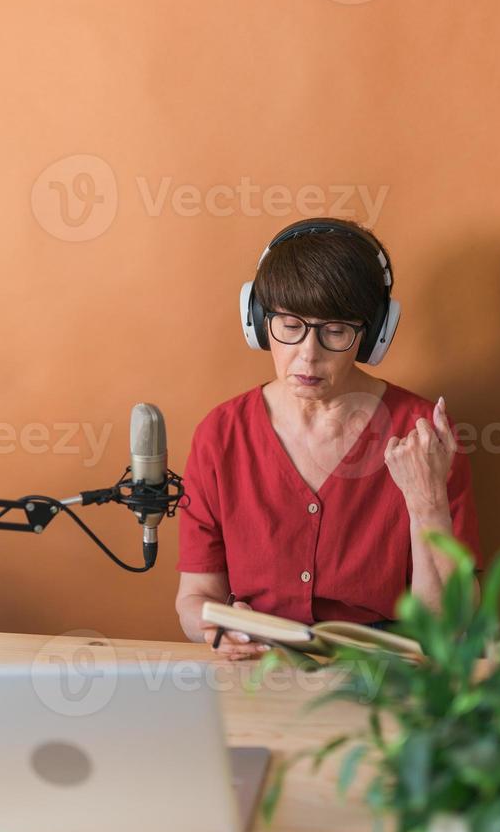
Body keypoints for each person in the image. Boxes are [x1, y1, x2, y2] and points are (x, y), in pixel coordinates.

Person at [175, 218, 483, 660]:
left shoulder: (421, 434)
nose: (308, 354)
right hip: (261, 661)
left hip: (383, 668)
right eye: (289, 325)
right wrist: (219, 628)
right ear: (259, 322)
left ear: (372, 335)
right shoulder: (220, 433)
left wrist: (427, 503)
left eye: (335, 331)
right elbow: (194, 597)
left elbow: (451, 625)